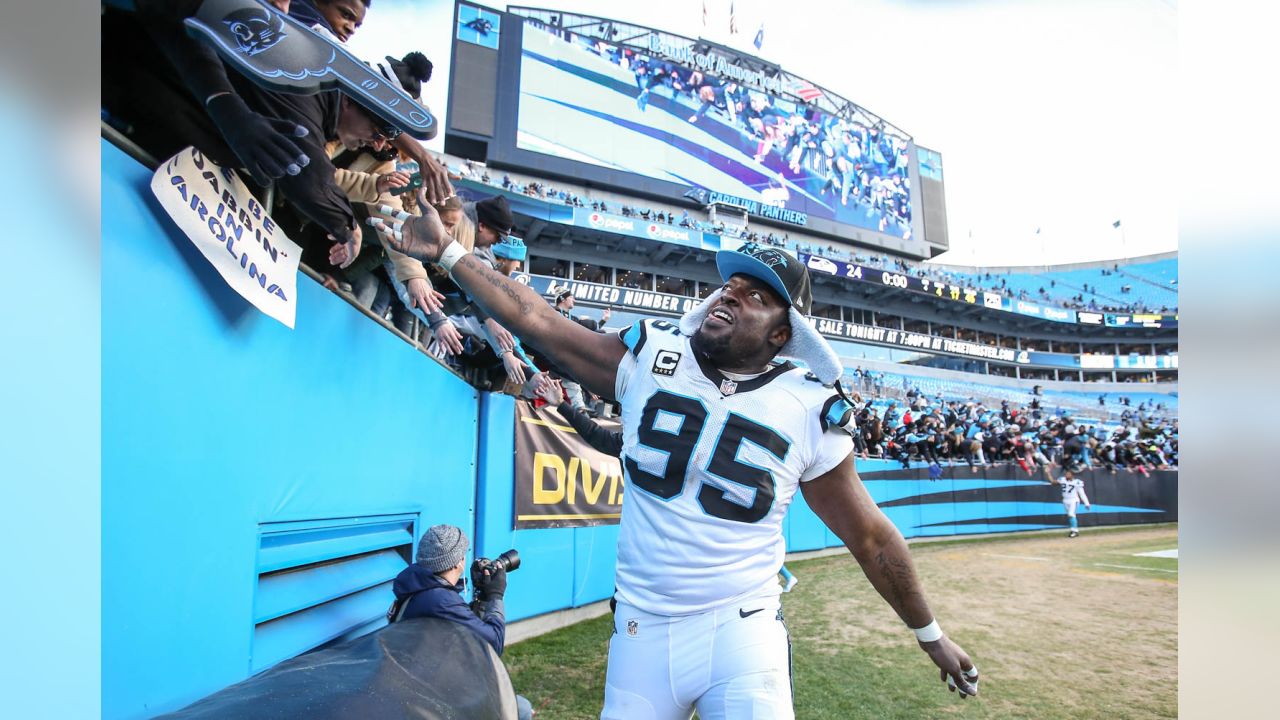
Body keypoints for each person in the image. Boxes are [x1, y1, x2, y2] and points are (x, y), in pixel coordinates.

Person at [368, 207, 979, 718]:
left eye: (756, 297)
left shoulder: (809, 407)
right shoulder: (650, 357)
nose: (732, 297)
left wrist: (931, 635)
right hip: (640, 631)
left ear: (781, 335)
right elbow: (539, 322)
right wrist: (450, 252)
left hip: (742, 628)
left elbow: (871, 539)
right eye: (731, 286)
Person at [389, 525, 534, 720]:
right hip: (430, 695)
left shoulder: (418, 585)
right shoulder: (439, 599)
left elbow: (466, 628)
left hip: (421, 680)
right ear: (458, 562)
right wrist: (496, 595)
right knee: (522, 709)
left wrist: (482, 595)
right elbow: (492, 645)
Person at [1048, 467, 1091, 538]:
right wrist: (1048, 473)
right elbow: (1053, 482)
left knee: (1071, 514)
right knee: (1070, 515)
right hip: (1065, 500)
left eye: (1068, 474)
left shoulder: (1077, 482)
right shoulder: (1062, 480)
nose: (1066, 475)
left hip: (1074, 500)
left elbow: (1082, 493)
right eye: (1066, 474)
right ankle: (1074, 530)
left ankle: (1074, 531)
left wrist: (1087, 503)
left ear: (1072, 475)